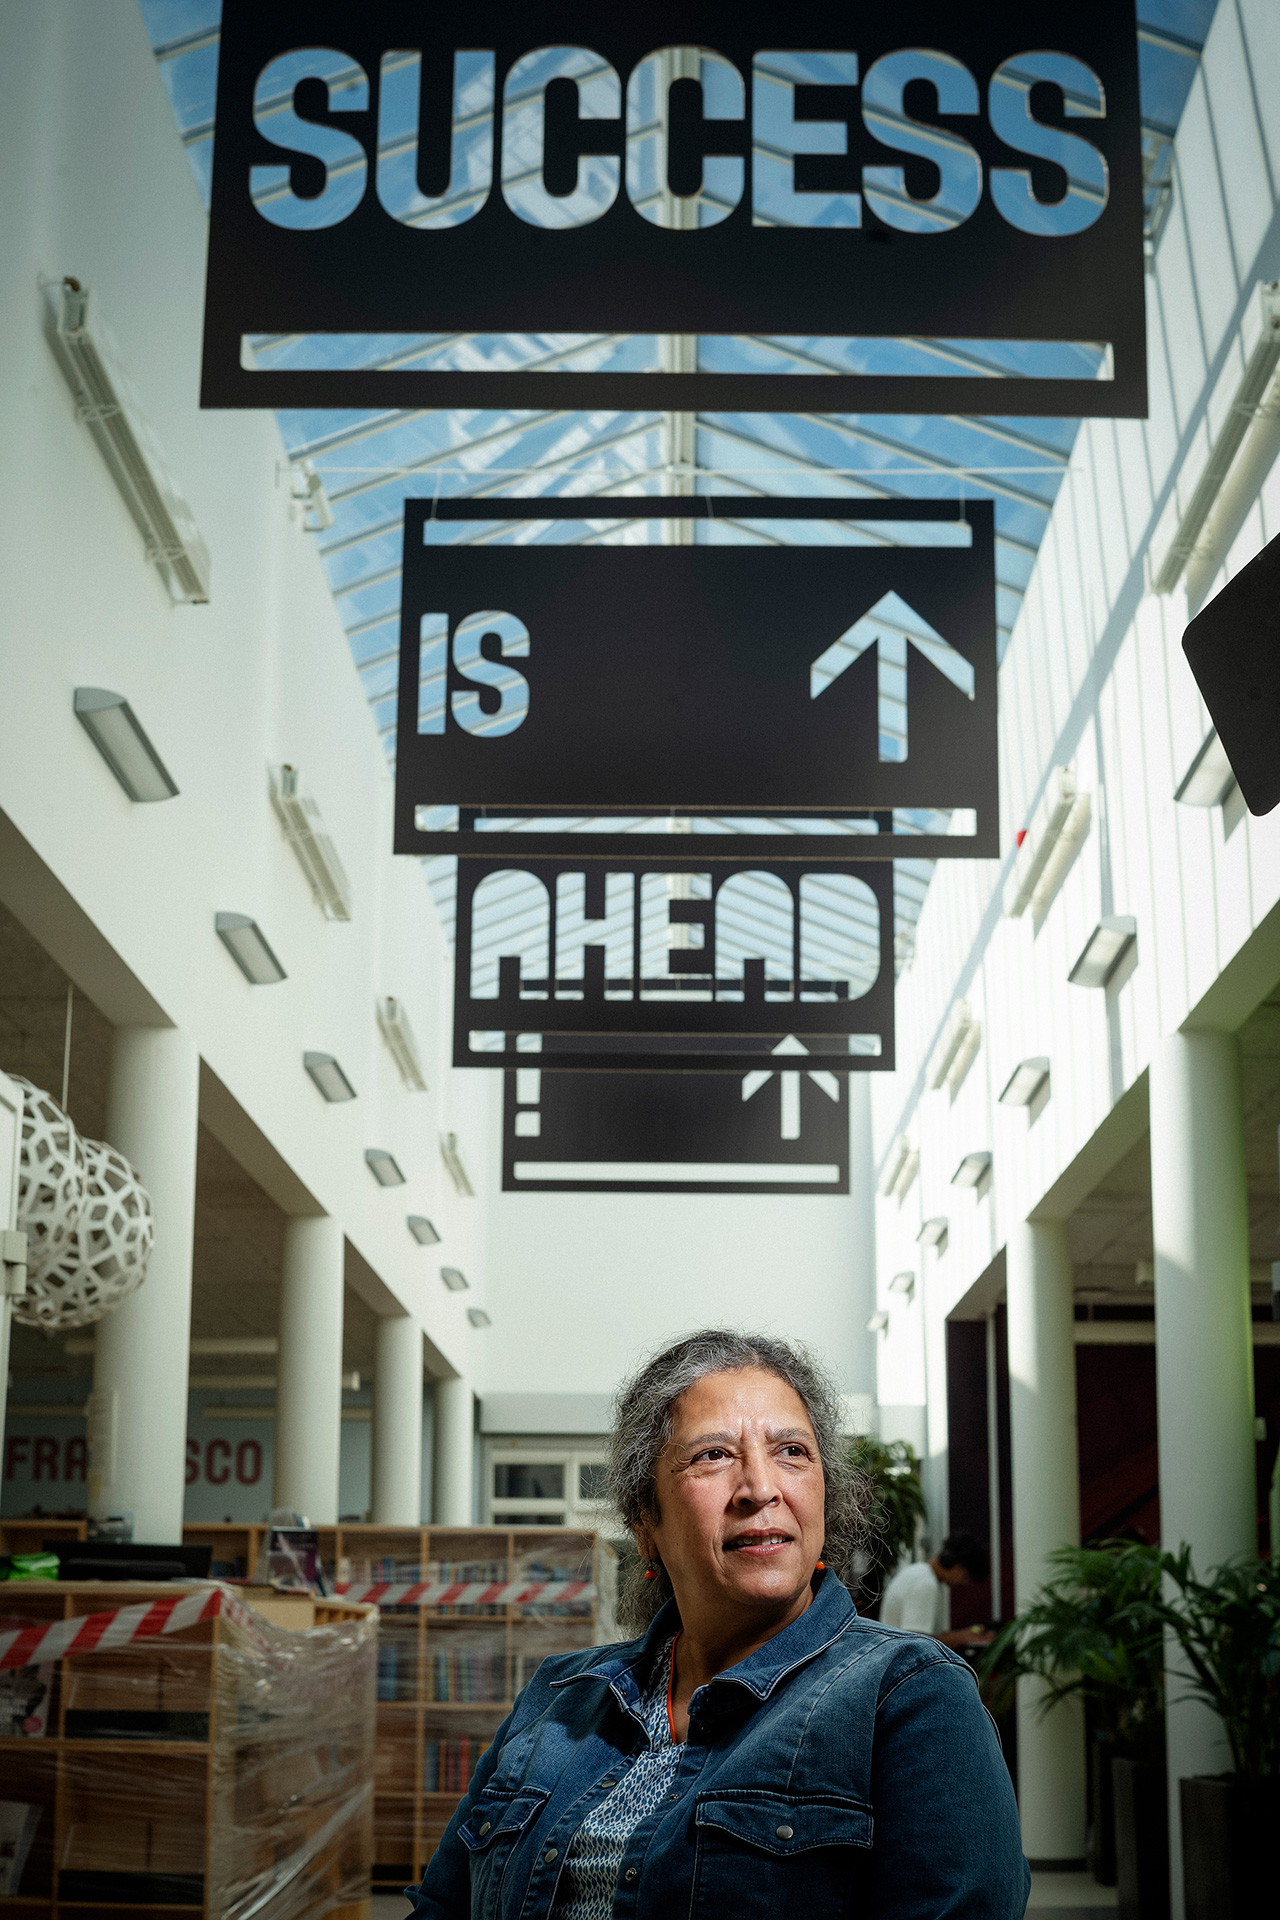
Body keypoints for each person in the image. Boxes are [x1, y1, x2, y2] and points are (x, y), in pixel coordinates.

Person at [406, 1330, 1028, 1919]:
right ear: (646, 1522)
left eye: (792, 1452)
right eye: (714, 1455)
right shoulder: (560, 1696)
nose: (760, 1487)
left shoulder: (909, 1696)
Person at [880, 1532, 994, 1649]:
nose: (963, 1582)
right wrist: (964, 1637)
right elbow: (917, 1643)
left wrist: (965, 1635)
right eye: (965, 1576)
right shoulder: (925, 1583)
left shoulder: (917, 1572)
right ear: (954, 1565)